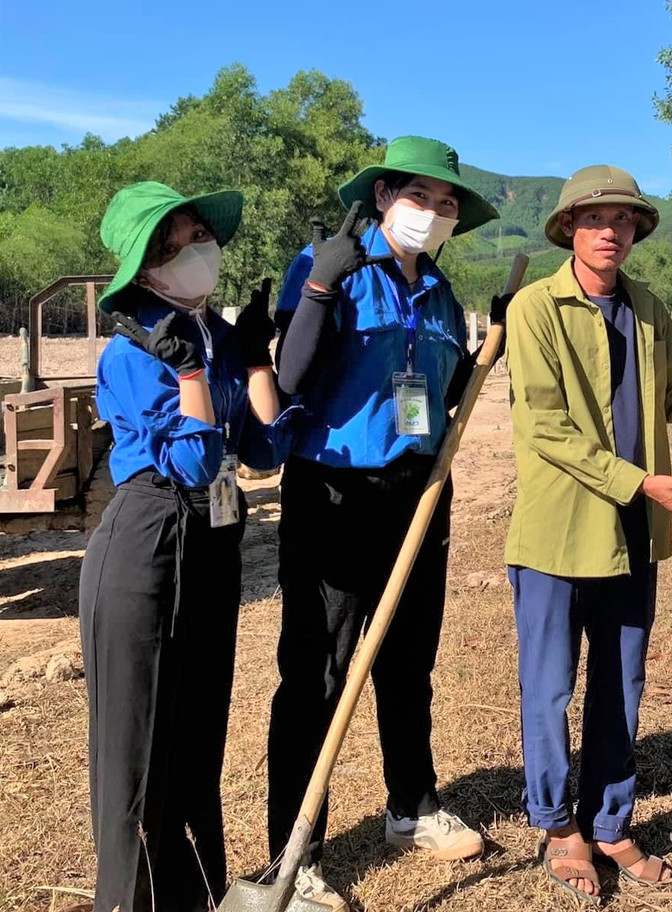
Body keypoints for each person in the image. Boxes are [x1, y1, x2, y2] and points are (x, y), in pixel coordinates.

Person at [267, 136, 504, 909]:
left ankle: (413, 807)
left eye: (444, 205)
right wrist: (321, 293)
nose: (431, 215)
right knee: (318, 675)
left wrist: (484, 353)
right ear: (380, 199)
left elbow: (438, 395)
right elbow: (292, 375)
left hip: (417, 495)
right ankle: (294, 856)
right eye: (417, 198)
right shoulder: (330, 267)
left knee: (407, 663)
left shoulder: (437, 294)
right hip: (333, 493)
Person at [506, 164, 672, 905]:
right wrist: (641, 482)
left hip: (633, 530)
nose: (611, 231)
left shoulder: (649, 308)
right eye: (595, 219)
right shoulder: (536, 309)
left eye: (624, 220)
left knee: (622, 683)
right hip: (558, 532)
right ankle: (556, 823)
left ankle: (609, 821)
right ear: (569, 227)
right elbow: (546, 427)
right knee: (549, 686)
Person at [78, 181, 295, 912]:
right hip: (147, 539)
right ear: (145, 265)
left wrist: (258, 359)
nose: (196, 247)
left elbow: (267, 449)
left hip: (213, 541)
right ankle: (129, 901)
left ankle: (193, 894)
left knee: (199, 734)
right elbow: (197, 463)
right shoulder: (132, 351)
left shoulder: (213, 334)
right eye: (174, 240)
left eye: (198, 231)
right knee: (137, 748)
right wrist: (196, 377)